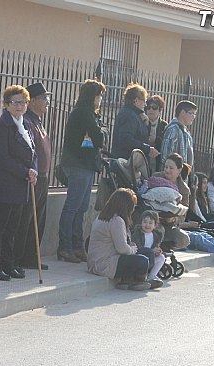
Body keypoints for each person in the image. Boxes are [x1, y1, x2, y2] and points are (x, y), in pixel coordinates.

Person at [0, 85, 37, 281]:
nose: (19, 106)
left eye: (23, 102)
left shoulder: (27, 124)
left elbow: (33, 153)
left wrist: (34, 170)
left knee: (13, 228)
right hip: (6, 184)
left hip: (21, 185)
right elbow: (3, 158)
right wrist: (25, 171)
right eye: (15, 102)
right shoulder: (2, 125)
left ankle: (9, 263)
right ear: (6, 105)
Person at [58, 79, 109, 263]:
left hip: (85, 165)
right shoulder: (84, 113)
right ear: (92, 96)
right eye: (99, 96)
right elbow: (99, 137)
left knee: (81, 207)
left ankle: (77, 245)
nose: (101, 99)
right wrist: (102, 130)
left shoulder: (91, 114)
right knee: (73, 206)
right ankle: (65, 246)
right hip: (78, 164)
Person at [87, 188, 157, 291]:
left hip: (106, 259)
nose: (133, 209)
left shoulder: (104, 216)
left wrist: (132, 247)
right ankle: (137, 280)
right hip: (105, 264)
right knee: (143, 261)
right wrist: (132, 249)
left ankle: (128, 279)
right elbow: (122, 249)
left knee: (148, 252)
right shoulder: (116, 220)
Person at [14, 82, 51, 271]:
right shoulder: (27, 121)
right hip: (33, 177)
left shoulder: (38, 121)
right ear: (33, 100)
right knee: (27, 219)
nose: (47, 102)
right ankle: (19, 258)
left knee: (39, 219)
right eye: (44, 98)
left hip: (44, 178)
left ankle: (31, 256)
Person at [147, 153, 192, 250]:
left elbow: (183, 215)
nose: (167, 170)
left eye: (171, 168)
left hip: (169, 225)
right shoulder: (156, 178)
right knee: (159, 230)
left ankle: (163, 248)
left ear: (179, 170)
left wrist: (173, 219)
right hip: (151, 221)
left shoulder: (184, 189)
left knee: (184, 239)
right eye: (166, 167)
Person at [110, 83, 159, 161]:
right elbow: (126, 139)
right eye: (144, 100)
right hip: (127, 161)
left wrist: (146, 124)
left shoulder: (134, 114)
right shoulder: (129, 115)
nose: (145, 104)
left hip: (130, 161)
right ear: (136, 100)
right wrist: (147, 149)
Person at [131, 210, 166, 288]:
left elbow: (155, 247)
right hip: (140, 258)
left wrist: (157, 251)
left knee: (161, 258)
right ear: (141, 222)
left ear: (155, 225)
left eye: (150, 223)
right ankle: (142, 277)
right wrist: (151, 251)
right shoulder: (137, 234)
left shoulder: (156, 235)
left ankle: (152, 276)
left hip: (151, 259)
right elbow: (138, 248)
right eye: (145, 222)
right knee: (148, 254)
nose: (147, 225)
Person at [160, 100, 197, 168]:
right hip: (172, 176)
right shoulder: (173, 130)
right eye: (191, 113)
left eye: (194, 114)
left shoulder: (186, 132)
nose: (193, 117)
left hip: (181, 177)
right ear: (182, 112)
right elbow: (165, 155)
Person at [145, 95, 168, 172]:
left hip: (157, 160)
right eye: (148, 107)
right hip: (143, 159)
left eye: (154, 107)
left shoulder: (164, 125)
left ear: (160, 110)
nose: (151, 110)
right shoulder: (141, 123)